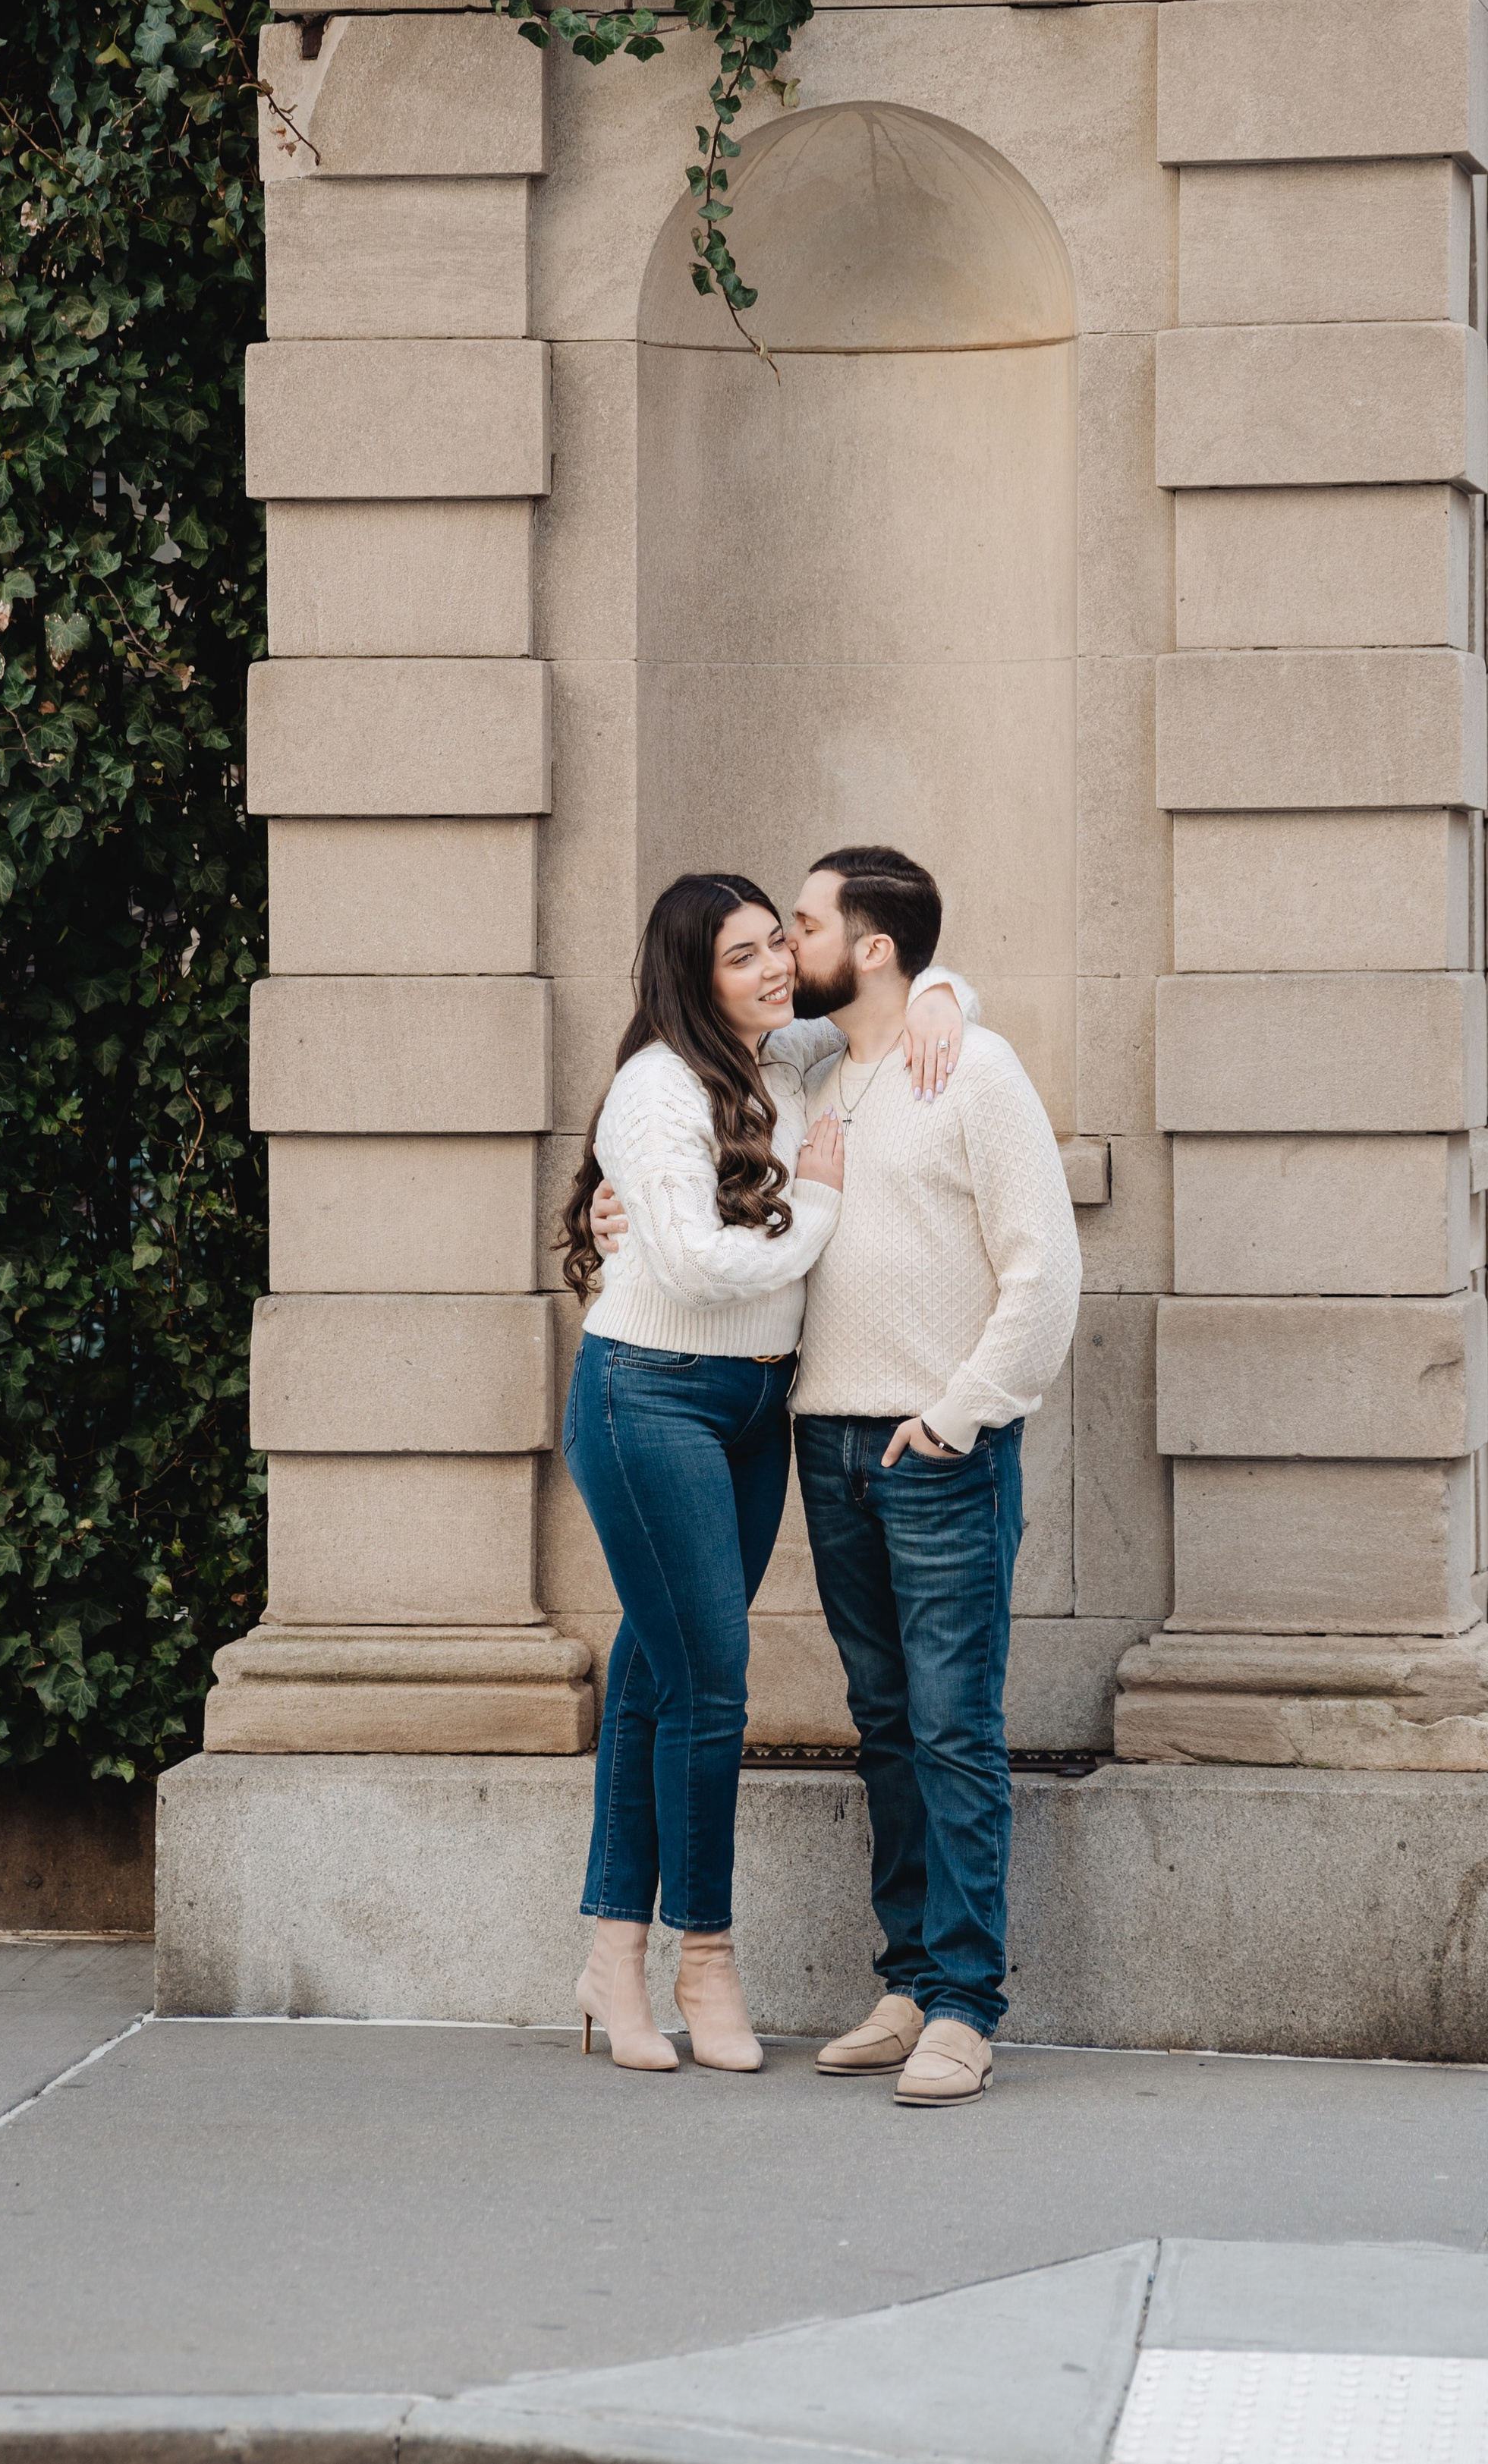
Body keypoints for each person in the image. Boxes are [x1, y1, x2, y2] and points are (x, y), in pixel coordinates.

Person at [594, 846, 1081, 2107]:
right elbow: (695, 1204)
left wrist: (962, 1415)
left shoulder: (964, 1064)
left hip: (935, 1446)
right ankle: (911, 1979)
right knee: (881, 1724)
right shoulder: (808, 1069)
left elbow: (1046, 1279)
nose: (782, 950)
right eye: (759, 938)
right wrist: (641, 1208)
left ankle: (966, 2006)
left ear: (867, 947)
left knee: (953, 1726)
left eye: (798, 927)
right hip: (818, 1437)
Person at [555, 871, 973, 2076]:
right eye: (743, 956)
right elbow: (687, 1261)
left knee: (655, 1667)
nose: (775, 967)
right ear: (695, 976)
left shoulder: (780, 1056)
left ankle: (610, 1954)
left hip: (749, 1409)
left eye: (774, 946)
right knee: (710, 1685)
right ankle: (706, 1959)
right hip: (651, 1398)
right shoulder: (655, 1087)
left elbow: (880, 991)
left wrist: (944, 990)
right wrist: (824, 1206)